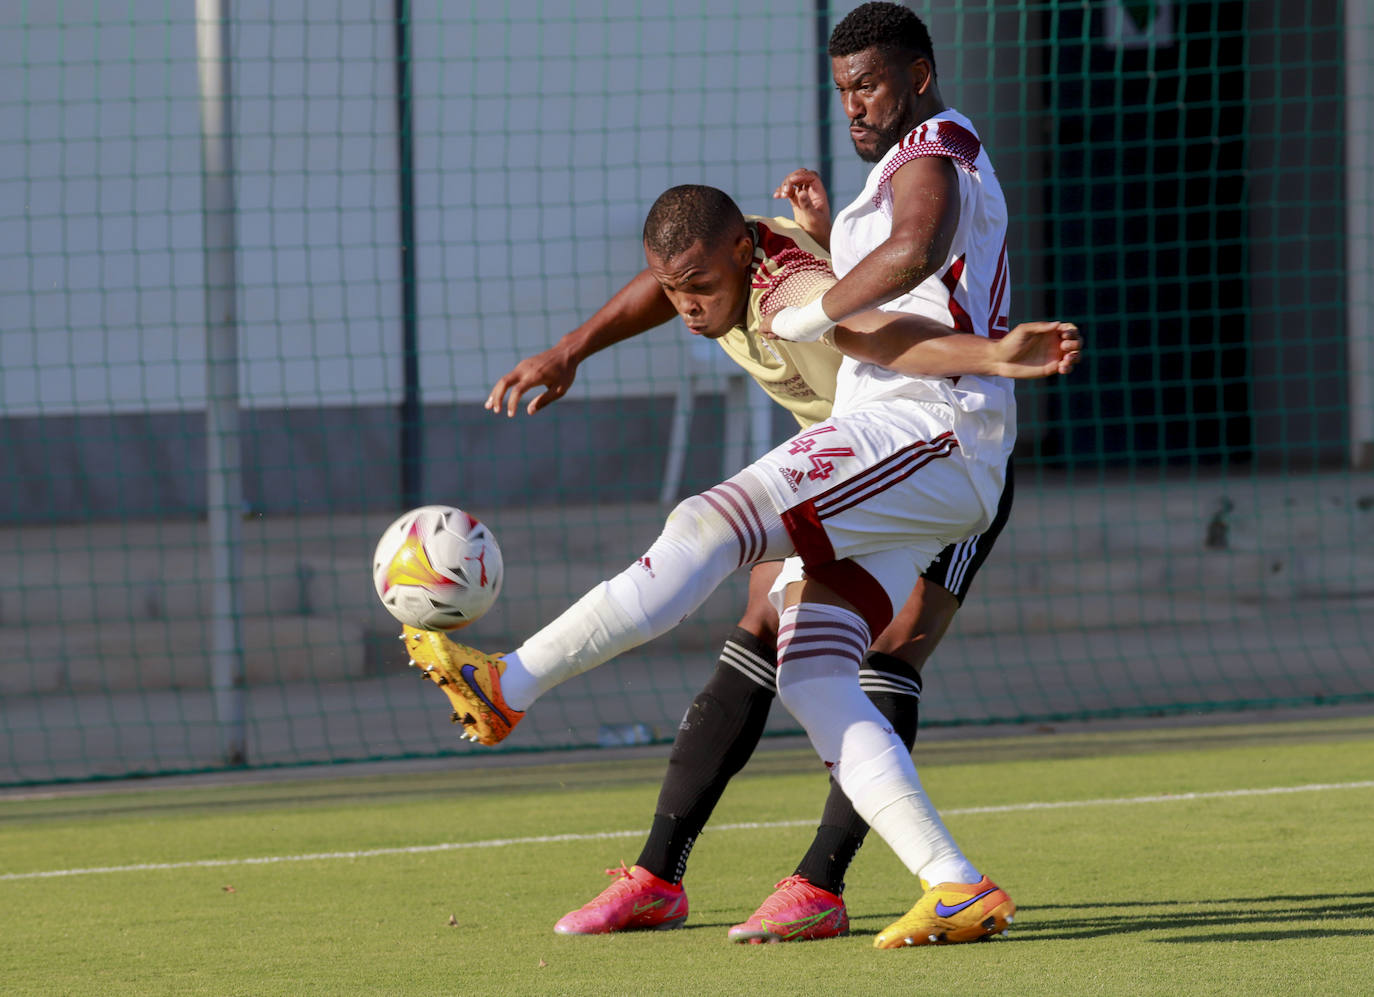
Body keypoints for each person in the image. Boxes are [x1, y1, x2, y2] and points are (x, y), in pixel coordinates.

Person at [407, 2, 1067, 949]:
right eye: (842, 89)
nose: (854, 105)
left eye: (870, 83)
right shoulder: (858, 192)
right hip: (916, 440)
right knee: (811, 669)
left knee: (709, 524)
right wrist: (968, 341)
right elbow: (898, 302)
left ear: (920, 76)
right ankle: (955, 883)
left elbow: (910, 255)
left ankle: (509, 682)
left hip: (928, 433)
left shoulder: (934, 148)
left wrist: (856, 316)